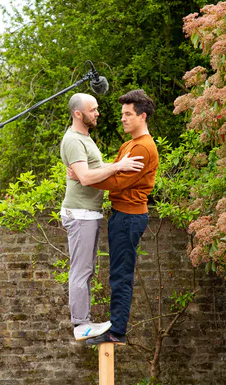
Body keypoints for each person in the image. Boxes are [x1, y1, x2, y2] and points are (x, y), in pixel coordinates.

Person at [70, 89, 159, 345]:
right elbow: (111, 171)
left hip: (130, 218)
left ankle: (117, 331)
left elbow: (117, 183)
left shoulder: (143, 148)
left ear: (142, 116)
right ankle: (115, 327)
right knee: (117, 273)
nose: (123, 118)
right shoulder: (128, 144)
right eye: (122, 114)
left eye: (128, 114)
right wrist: (97, 172)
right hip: (122, 216)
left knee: (121, 275)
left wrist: (84, 177)